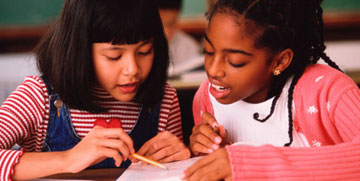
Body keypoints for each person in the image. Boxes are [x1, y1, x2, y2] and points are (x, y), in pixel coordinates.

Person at [0, 0, 190, 180]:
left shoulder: (164, 100)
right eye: (114, 56)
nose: (132, 69)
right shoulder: (37, 97)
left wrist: (181, 160)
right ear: (79, 51)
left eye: (144, 52)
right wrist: (68, 159)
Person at [183, 0, 360, 180]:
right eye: (209, 52)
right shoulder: (207, 96)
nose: (213, 70)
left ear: (280, 61)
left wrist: (251, 163)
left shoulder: (327, 91)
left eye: (235, 62)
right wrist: (207, 154)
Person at [156, 0, 203, 77]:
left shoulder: (187, 45)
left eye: (171, 24)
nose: (165, 32)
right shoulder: (139, 45)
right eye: (158, 25)